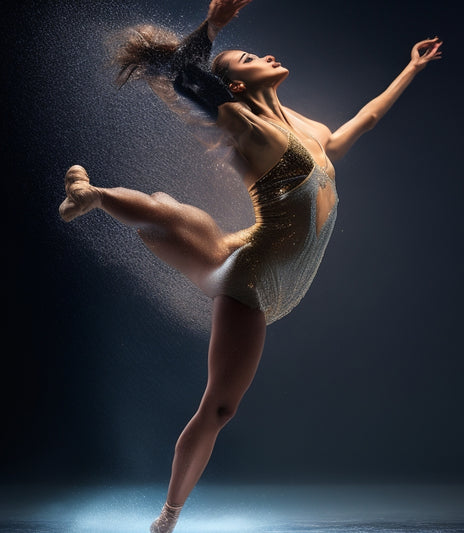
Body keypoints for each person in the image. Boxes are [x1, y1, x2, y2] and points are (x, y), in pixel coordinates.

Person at [59, 1, 443, 530]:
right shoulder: (243, 123)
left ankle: (98, 196)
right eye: (246, 58)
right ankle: (167, 518)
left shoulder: (309, 128)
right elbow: (183, 77)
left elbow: (368, 118)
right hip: (253, 281)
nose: (263, 54)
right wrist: (213, 28)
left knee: (180, 219)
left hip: (260, 264)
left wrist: (411, 68)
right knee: (219, 408)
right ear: (235, 86)